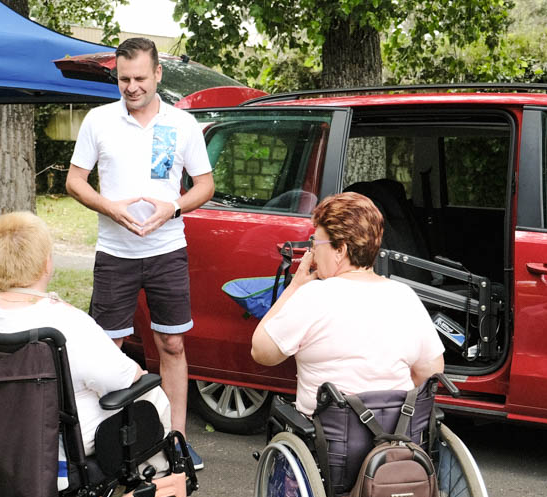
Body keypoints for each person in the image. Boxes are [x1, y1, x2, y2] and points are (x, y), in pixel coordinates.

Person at [65, 37, 215, 470]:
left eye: (139, 79)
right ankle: (106, 442)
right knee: (107, 349)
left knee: (171, 343)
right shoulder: (98, 121)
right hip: (115, 253)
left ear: (157, 76)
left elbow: (204, 185)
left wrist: (175, 206)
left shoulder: (182, 125)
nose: (131, 87)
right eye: (123, 79)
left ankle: (177, 439)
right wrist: (108, 207)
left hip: (168, 250)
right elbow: (76, 182)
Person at [0, 212, 172, 474]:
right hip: (50, 439)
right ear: (47, 264)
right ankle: (158, 473)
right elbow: (117, 379)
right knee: (150, 392)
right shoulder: (67, 321)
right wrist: (138, 373)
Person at [251, 192, 445, 415]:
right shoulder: (405, 295)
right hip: (395, 434)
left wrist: (294, 287)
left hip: (329, 436)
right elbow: (431, 370)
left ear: (340, 250)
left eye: (315, 243)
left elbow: (262, 352)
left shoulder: (313, 296)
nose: (312, 253)